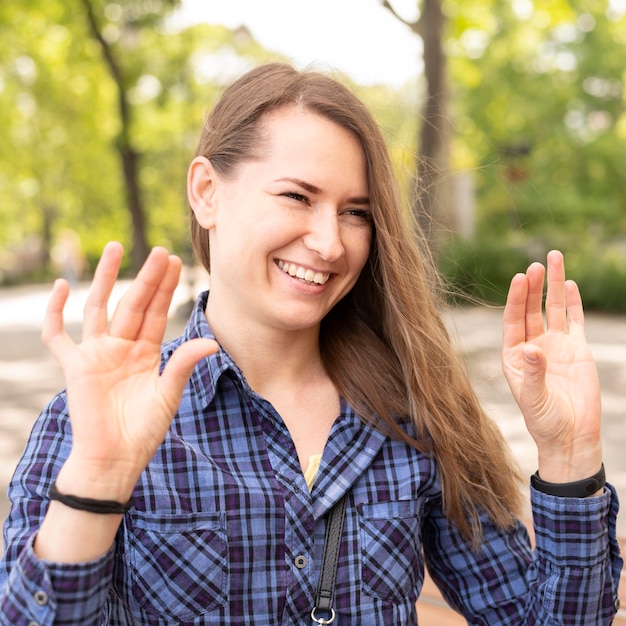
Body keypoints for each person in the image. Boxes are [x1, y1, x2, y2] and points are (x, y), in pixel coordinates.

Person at [0, 62, 621, 625]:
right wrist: (98, 482)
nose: (329, 243)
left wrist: (570, 457)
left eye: (356, 212)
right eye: (297, 196)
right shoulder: (90, 423)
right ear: (207, 192)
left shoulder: (411, 412)